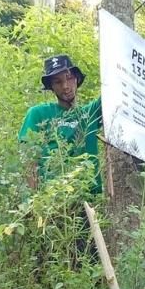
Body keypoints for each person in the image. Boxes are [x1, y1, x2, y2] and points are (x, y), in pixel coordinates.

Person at [18, 54, 103, 195]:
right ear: (51, 86)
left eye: (69, 78)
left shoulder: (90, 113)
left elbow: (116, 87)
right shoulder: (39, 113)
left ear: (77, 79)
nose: (65, 86)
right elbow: (28, 158)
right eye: (57, 82)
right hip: (53, 200)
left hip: (90, 198)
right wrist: (35, 201)